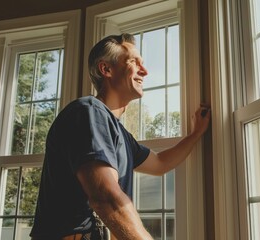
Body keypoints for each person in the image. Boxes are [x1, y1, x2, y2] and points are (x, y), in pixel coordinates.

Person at [29, 33, 211, 240]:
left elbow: (160, 163)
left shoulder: (118, 132)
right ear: (106, 69)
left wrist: (196, 134)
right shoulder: (88, 112)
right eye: (134, 62)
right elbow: (105, 197)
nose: (145, 71)